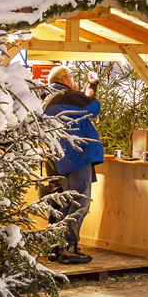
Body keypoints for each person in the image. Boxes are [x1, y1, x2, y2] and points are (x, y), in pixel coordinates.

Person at [42, 67, 102, 266]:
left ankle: (56, 247)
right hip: (78, 155)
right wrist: (84, 91)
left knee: (66, 203)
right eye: (72, 79)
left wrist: (86, 89)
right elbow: (93, 108)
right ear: (65, 79)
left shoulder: (48, 97)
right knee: (80, 203)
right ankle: (67, 248)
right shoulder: (65, 95)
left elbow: (79, 107)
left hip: (60, 159)